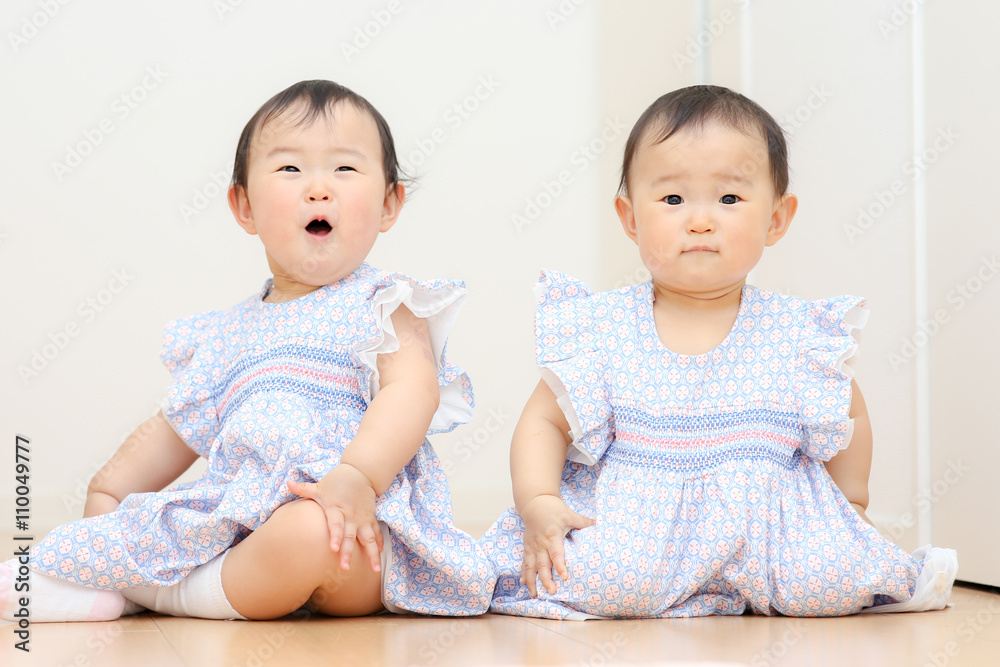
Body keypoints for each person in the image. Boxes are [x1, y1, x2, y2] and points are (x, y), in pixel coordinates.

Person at [2, 80, 491, 622]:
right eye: (289, 169)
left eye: (345, 169)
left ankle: (161, 594)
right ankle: (108, 575)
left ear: (388, 203)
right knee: (159, 525)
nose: (318, 188)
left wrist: (357, 476)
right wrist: (108, 494)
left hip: (360, 529)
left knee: (311, 533)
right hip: (244, 532)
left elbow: (413, 393)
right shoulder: (228, 334)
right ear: (244, 207)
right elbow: (170, 430)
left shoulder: (383, 303)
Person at [479, 85, 957, 619]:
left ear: (776, 219)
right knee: (607, 577)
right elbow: (545, 421)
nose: (700, 220)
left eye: (729, 199)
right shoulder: (605, 327)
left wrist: (852, 505)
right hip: (641, 521)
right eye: (673, 199)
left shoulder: (796, 332)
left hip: (772, 523)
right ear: (630, 217)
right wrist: (540, 500)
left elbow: (848, 411)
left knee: (827, 580)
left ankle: (792, 567)